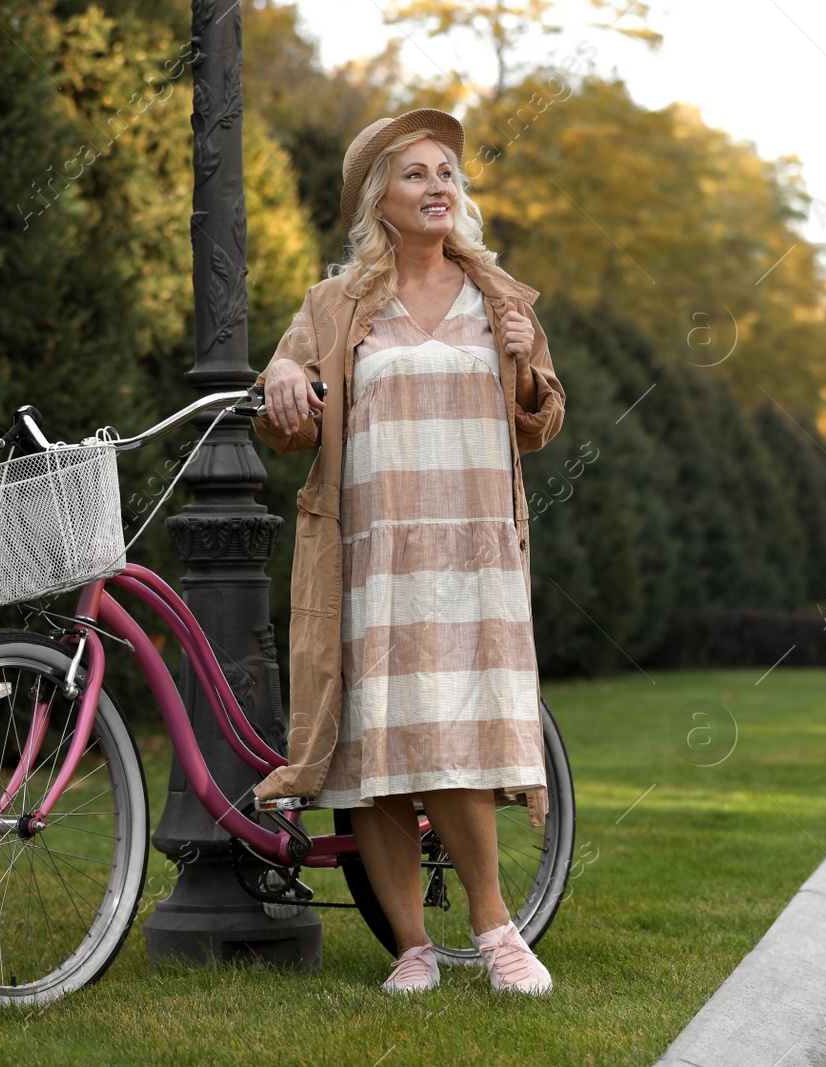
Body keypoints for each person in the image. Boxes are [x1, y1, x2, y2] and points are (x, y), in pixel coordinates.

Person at [248, 108, 566, 995]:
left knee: (454, 735)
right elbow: (288, 411)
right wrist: (280, 376)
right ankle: (413, 947)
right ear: (378, 200)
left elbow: (540, 419)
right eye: (417, 174)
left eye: (447, 174)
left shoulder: (502, 300)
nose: (439, 186)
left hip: (473, 551)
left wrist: (527, 370)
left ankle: (497, 929)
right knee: (377, 748)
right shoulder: (335, 305)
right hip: (373, 551)